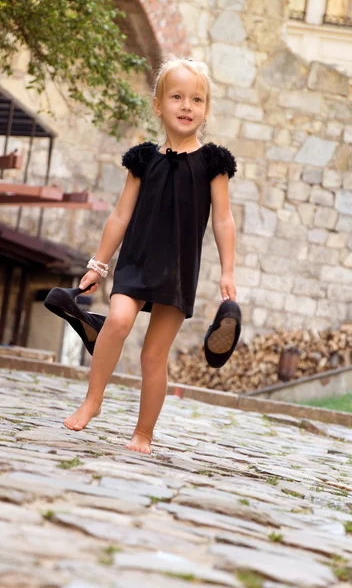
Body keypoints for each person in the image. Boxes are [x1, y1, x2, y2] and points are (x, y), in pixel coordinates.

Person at [63, 57, 237, 454]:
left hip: (177, 271)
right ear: (158, 105)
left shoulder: (214, 164)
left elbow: (224, 221)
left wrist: (228, 271)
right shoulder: (143, 159)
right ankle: (93, 399)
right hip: (136, 260)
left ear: (205, 109)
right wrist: (98, 265)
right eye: (177, 97)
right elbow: (120, 214)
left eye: (196, 99)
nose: (186, 106)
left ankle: (143, 433)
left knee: (153, 354)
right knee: (119, 319)